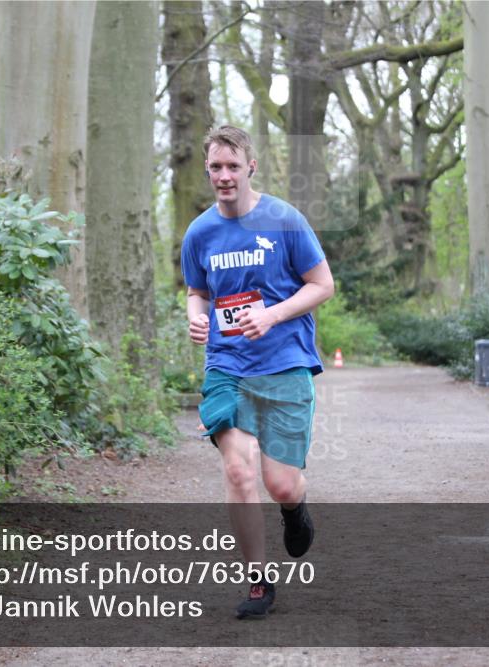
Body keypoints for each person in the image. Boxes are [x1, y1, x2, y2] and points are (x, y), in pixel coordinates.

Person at [181, 125, 335, 619]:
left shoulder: (284, 220)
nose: (224, 176)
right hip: (227, 365)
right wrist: (196, 317)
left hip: (285, 362)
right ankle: (257, 582)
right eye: (216, 167)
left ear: (251, 167)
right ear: (207, 171)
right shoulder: (200, 232)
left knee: (281, 484)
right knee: (238, 469)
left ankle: (294, 508)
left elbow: (322, 284)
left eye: (233, 166)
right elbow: (197, 291)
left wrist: (271, 315)